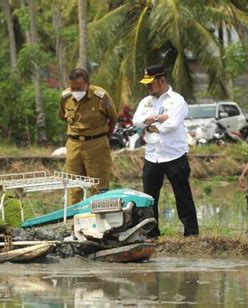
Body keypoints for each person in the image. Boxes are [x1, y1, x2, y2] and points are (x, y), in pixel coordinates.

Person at [132, 64, 199, 238]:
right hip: (152, 156)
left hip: (174, 155)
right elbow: (136, 121)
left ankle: (191, 233)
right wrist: (157, 118)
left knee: (182, 196)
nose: (147, 86)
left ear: (161, 80)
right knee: (149, 198)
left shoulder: (177, 100)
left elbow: (172, 124)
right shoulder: (146, 101)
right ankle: (152, 233)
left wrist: (154, 126)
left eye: (150, 82)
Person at [59, 68, 118, 205]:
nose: (75, 91)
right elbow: (63, 116)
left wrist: (104, 138)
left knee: (99, 186)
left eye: (79, 87)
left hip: (96, 144)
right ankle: (74, 220)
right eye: (72, 87)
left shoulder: (101, 96)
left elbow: (113, 118)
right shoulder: (65, 97)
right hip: (74, 145)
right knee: (74, 185)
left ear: (88, 84)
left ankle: (100, 221)